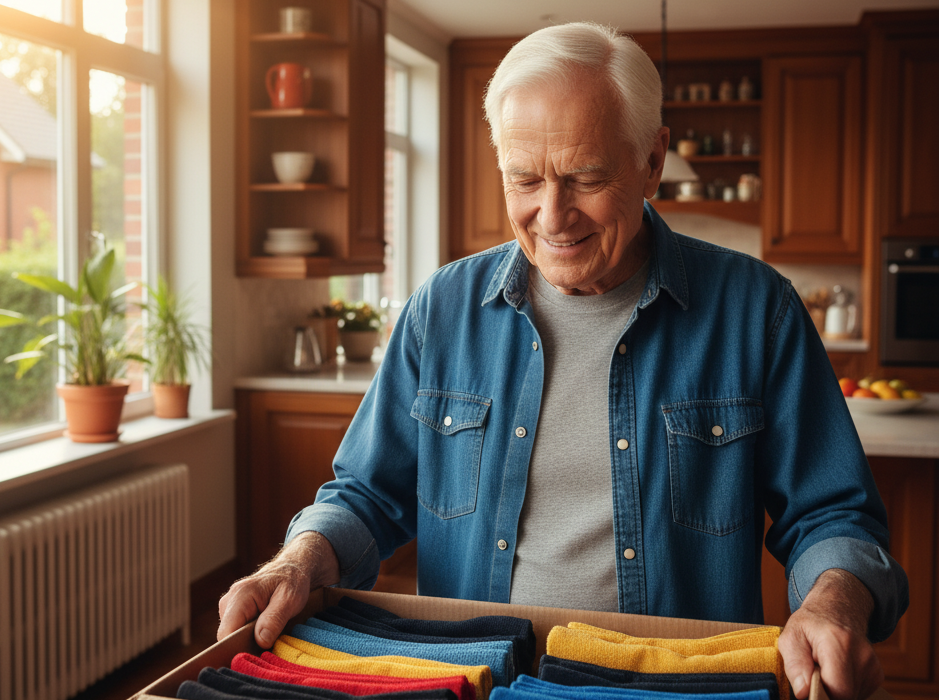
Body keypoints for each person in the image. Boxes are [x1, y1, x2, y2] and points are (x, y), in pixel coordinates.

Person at [218, 22, 908, 700]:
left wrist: (833, 603)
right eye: (524, 180)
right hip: (480, 681)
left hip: (679, 687)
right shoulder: (442, 311)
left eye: (584, 178)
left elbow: (831, 515)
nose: (552, 216)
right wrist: (298, 560)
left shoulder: (758, 310)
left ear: (652, 162)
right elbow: (367, 494)